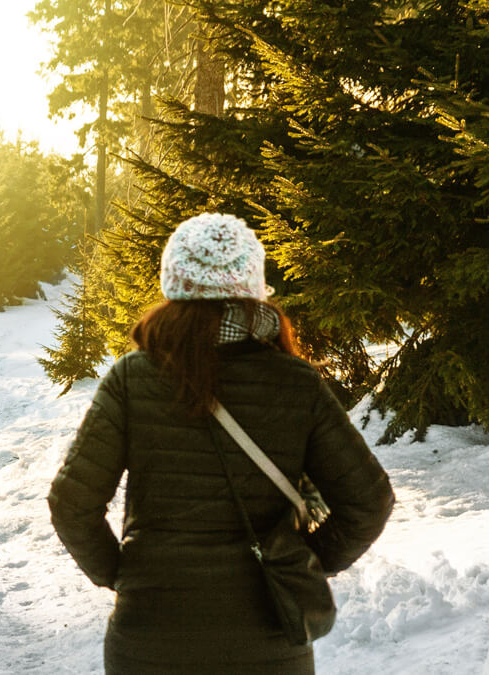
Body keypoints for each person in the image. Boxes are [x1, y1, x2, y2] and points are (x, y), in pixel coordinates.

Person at [48, 213, 395, 674]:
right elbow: (369, 502)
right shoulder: (297, 383)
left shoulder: (131, 379)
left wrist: (120, 574)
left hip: (150, 638)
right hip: (269, 641)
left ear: (174, 284)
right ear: (253, 287)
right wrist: (304, 562)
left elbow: (71, 501)